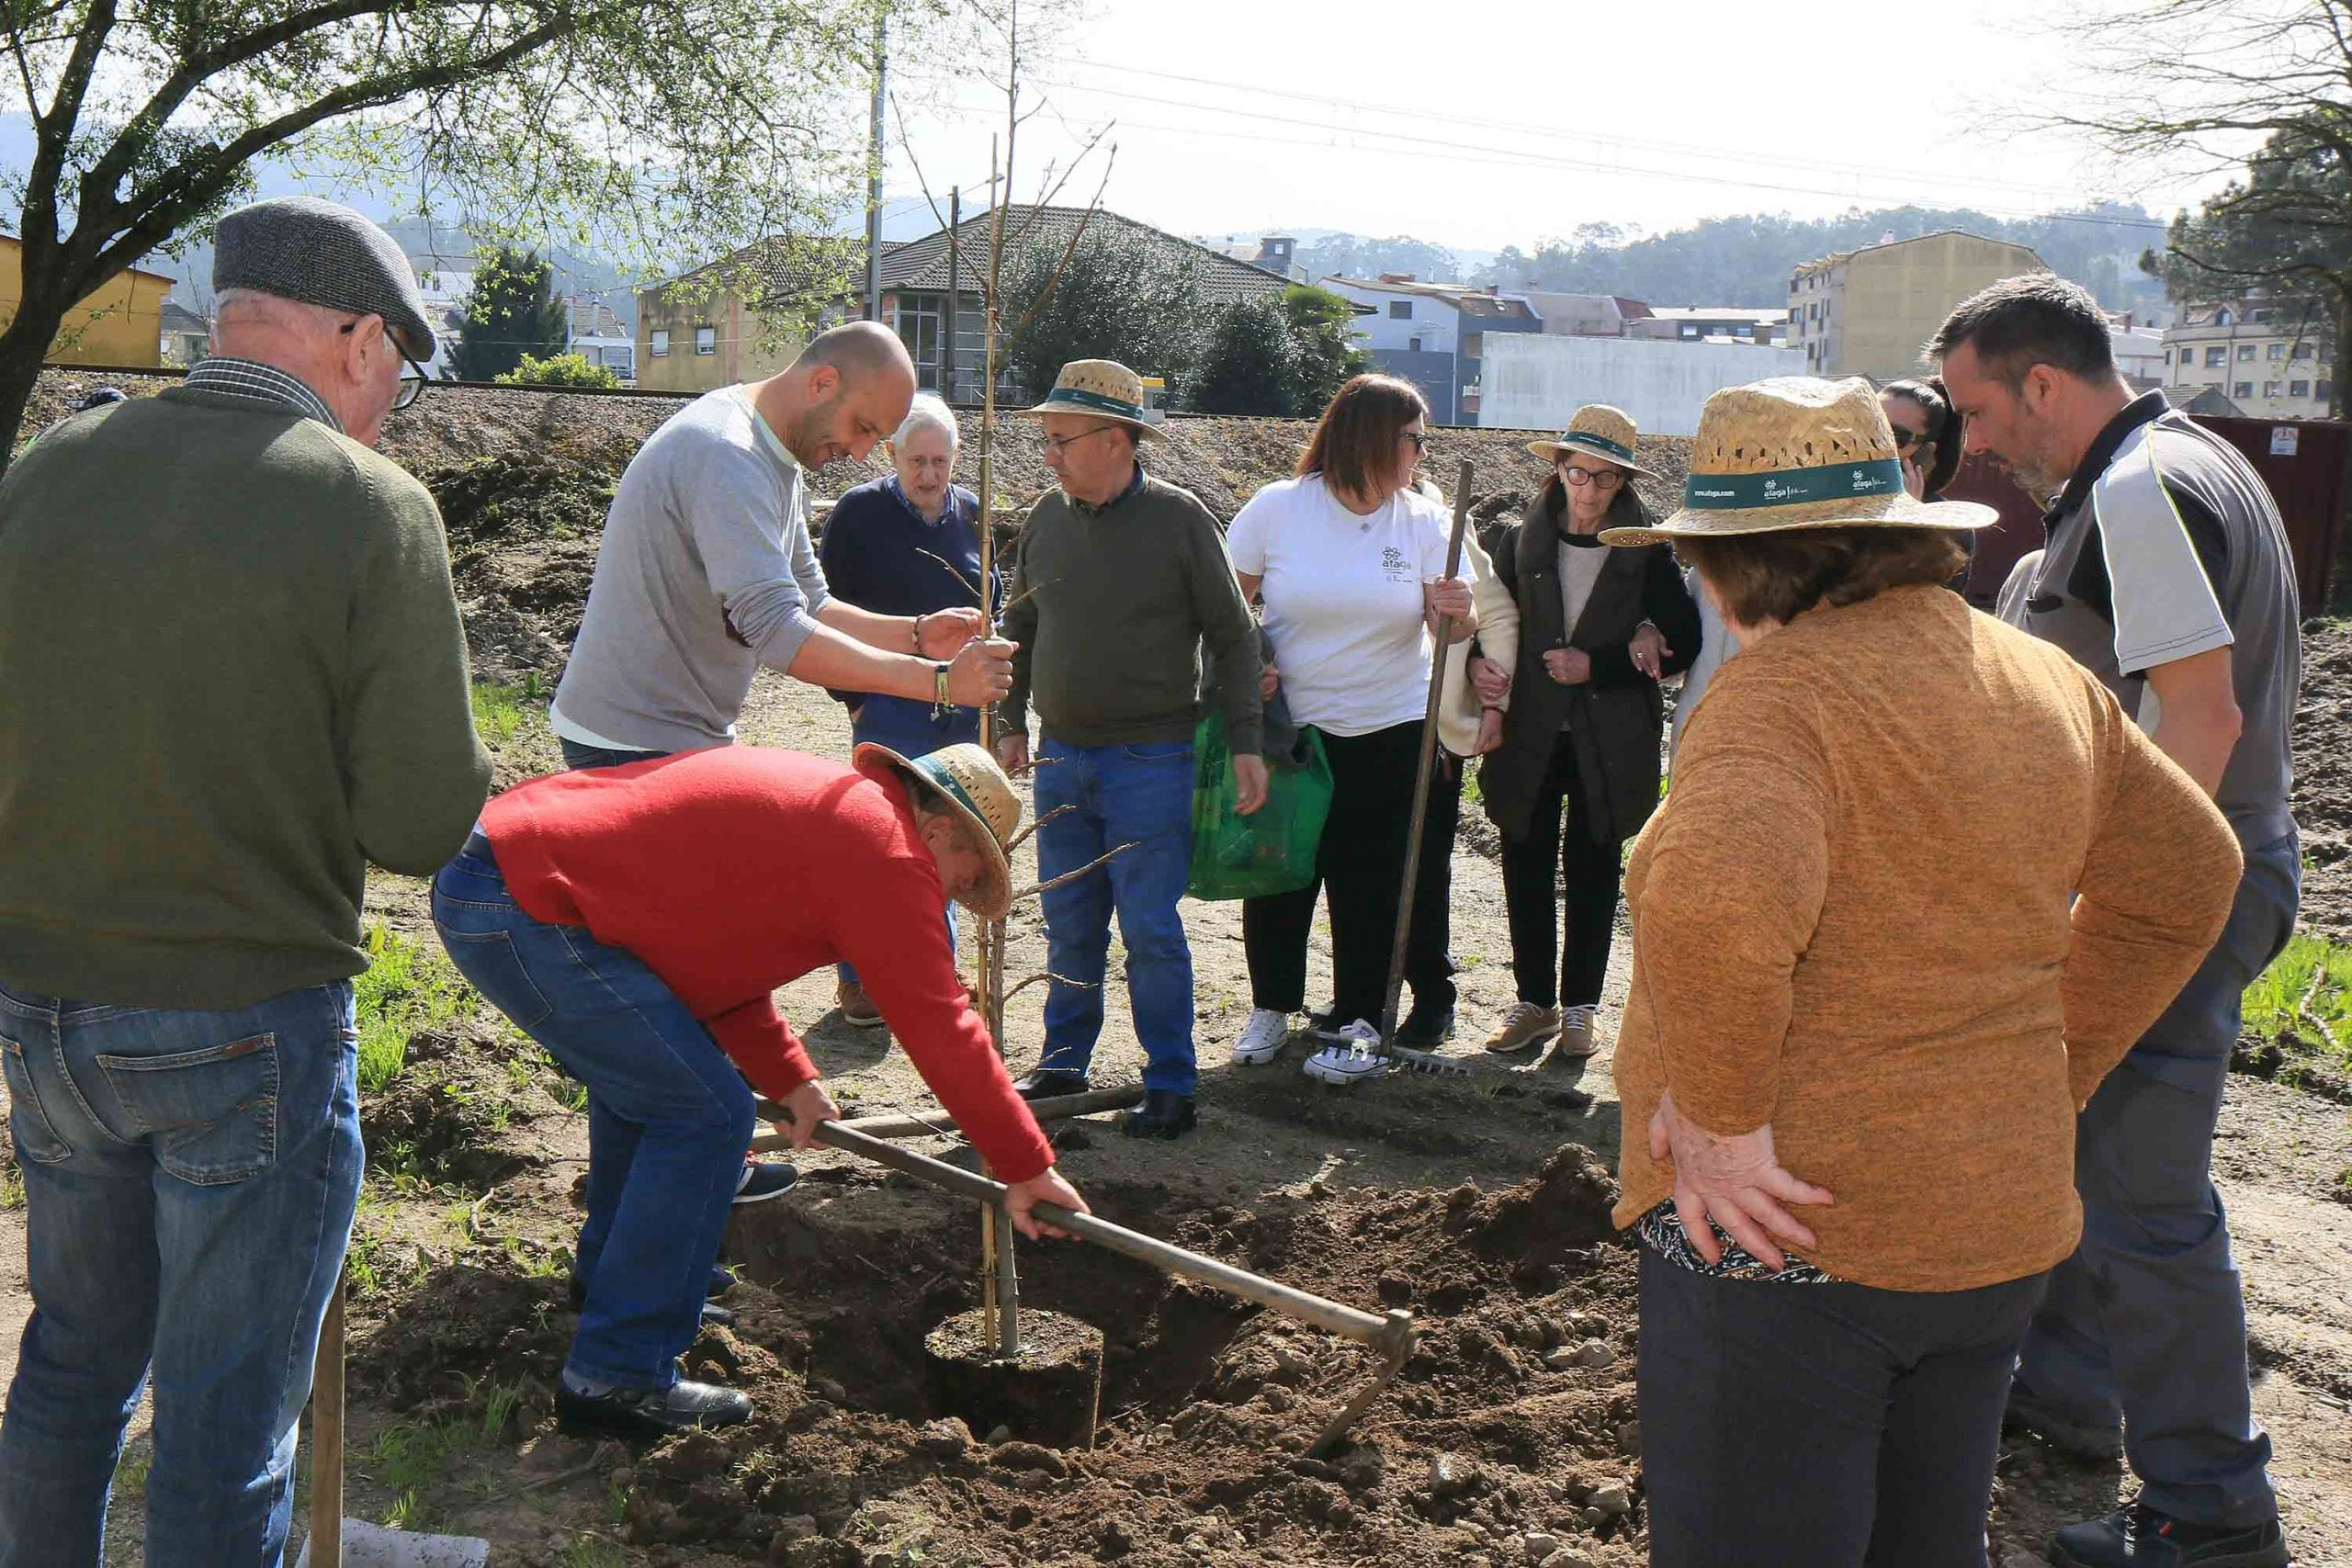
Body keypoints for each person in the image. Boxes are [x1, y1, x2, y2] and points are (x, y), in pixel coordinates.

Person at [1603, 375, 2243, 1568]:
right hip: (1989, 1228)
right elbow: (2195, 873)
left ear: (1735, 565)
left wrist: (1730, 1123)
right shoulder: (2040, 678)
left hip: (1786, 1237)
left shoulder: (1777, 702)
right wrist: (2059, 1064)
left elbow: (1712, 898)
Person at [0, 197, 491, 1566]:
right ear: (352, 335)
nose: (394, 391)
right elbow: (420, 818)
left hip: (41, 1007)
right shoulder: (366, 506)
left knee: (72, 1364)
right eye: (397, 358)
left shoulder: (48, 468)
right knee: (223, 1427)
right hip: (240, 1019)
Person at [1934, 274, 2302, 1568]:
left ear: (2045, 382)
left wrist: (2114, 905)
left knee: (2148, 1203)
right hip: (2218, 862)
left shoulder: (2143, 493)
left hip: (2184, 880)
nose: (1972, 441)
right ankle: (2074, 1397)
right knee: (2093, 1148)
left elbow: (2200, 719)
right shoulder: (2181, 465)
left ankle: (2213, 1512)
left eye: (1979, 408)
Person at [432, 743, 1087, 1438]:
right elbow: (939, 1026)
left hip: (502, 870)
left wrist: (791, 1078)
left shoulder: (846, 819)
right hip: (524, 901)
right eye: (969, 872)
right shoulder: (889, 854)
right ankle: (616, 1372)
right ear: (941, 829)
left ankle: (617, 1291)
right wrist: (1026, 1165)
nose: (959, 890)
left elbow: (708, 964)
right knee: (707, 1115)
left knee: (660, 1089)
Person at [996, 360, 1266, 1139]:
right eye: (1046, 439)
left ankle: (1172, 1082)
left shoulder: (1182, 523)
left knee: (1149, 925)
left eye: (1061, 440)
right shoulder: (1045, 520)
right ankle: (1063, 1061)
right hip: (1060, 758)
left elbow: (1234, 637)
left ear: (1116, 440)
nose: (1048, 454)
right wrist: (1012, 720)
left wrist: (1244, 739)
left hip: (1152, 760)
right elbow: (1019, 629)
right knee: (1068, 918)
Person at [550, 320, 1013, 773]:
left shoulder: (772, 453)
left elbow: (809, 601)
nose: (859, 453)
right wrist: (941, 683)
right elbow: (776, 631)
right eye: (863, 427)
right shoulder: (729, 455)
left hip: (672, 733)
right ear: (823, 382)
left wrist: (916, 634)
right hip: (630, 743)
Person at [1220, 376, 1477, 1084]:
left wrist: (1457, 610)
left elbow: (1451, 625)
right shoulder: (1278, 509)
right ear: (1372, 437)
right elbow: (1223, 609)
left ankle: (1363, 1023)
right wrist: (1256, 666)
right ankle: (1272, 1005)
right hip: (1294, 728)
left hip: (1390, 727)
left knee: (1371, 882)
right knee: (1280, 873)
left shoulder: (1422, 520)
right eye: (1415, 439)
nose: (1423, 454)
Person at [1467, 405, 1699, 1062]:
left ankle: (1581, 1008)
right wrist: (1480, 664)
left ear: (1623, 483)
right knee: (1525, 857)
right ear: (1557, 471)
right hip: (1531, 730)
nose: (1589, 490)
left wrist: (1601, 660)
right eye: (1578, 473)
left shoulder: (1647, 549)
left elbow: (1683, 640)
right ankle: (1534, 1001)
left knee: (1595, 865)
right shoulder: (1522, 540)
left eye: (1604, 479)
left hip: (1611, 735)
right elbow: (1495, 620)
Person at [817, 393, 995, 1027]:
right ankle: (859, 981)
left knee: (945, 837)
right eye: (916, 460)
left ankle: (933, 969)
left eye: (940, 462)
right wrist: (856, 697)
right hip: (888, 701)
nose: (928, 474)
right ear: (893, 455)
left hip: (957, 709)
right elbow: (821, 611)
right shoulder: (858, 515)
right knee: (880, 841)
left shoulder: (974, 514)